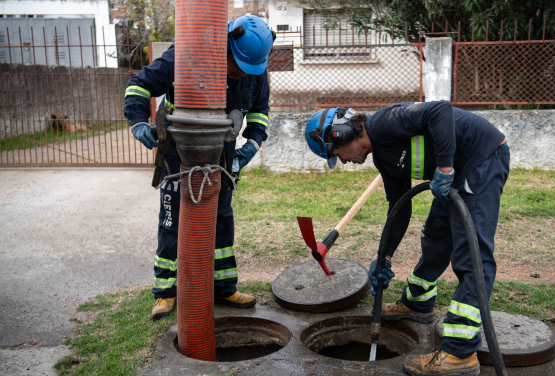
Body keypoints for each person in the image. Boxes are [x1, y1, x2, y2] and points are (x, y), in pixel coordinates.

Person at [304, 101, 509, 376]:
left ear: (339, 134)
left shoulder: (384, 123)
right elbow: (399, 209)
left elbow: (440, 111)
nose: (341, 161)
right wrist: (383, 257)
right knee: (436, 236)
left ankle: (459, 353)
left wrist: (445, 170)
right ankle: (418, 303)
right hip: (456, 173)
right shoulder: (383, 159)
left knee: (471, 255)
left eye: (336, 153)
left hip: (481, 159)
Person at [123, 15, 274, 320]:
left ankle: (223, 286)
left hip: (223, 154)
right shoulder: (189, 54)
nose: (241, 74)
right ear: (226, 45)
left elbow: (260, 111)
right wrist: (139, 123)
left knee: (221, 218)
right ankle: (165, 292)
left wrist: (250, 147)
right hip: (180, 153)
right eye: (238, 66)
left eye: (249, 70)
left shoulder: (254, 70)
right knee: (172, 219)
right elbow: (139, 85)